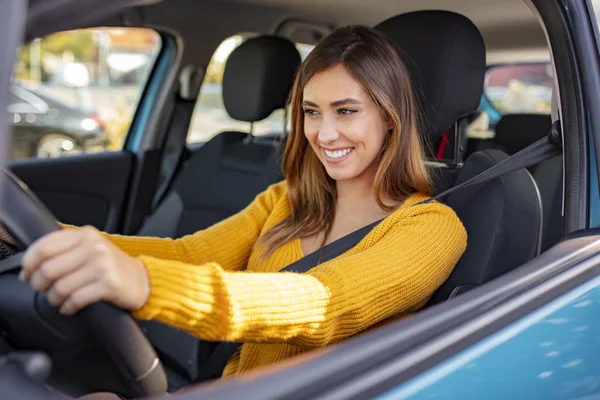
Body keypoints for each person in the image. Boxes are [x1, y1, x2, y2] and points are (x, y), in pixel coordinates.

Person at [4, 25, 467, 398]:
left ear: (390, 116)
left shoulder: (431, 227)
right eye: (312, 111)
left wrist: (143, 283)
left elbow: (323, 303)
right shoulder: (287, 199)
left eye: (346, 111)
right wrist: (46, 238)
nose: (325, 135)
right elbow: (189, 255)